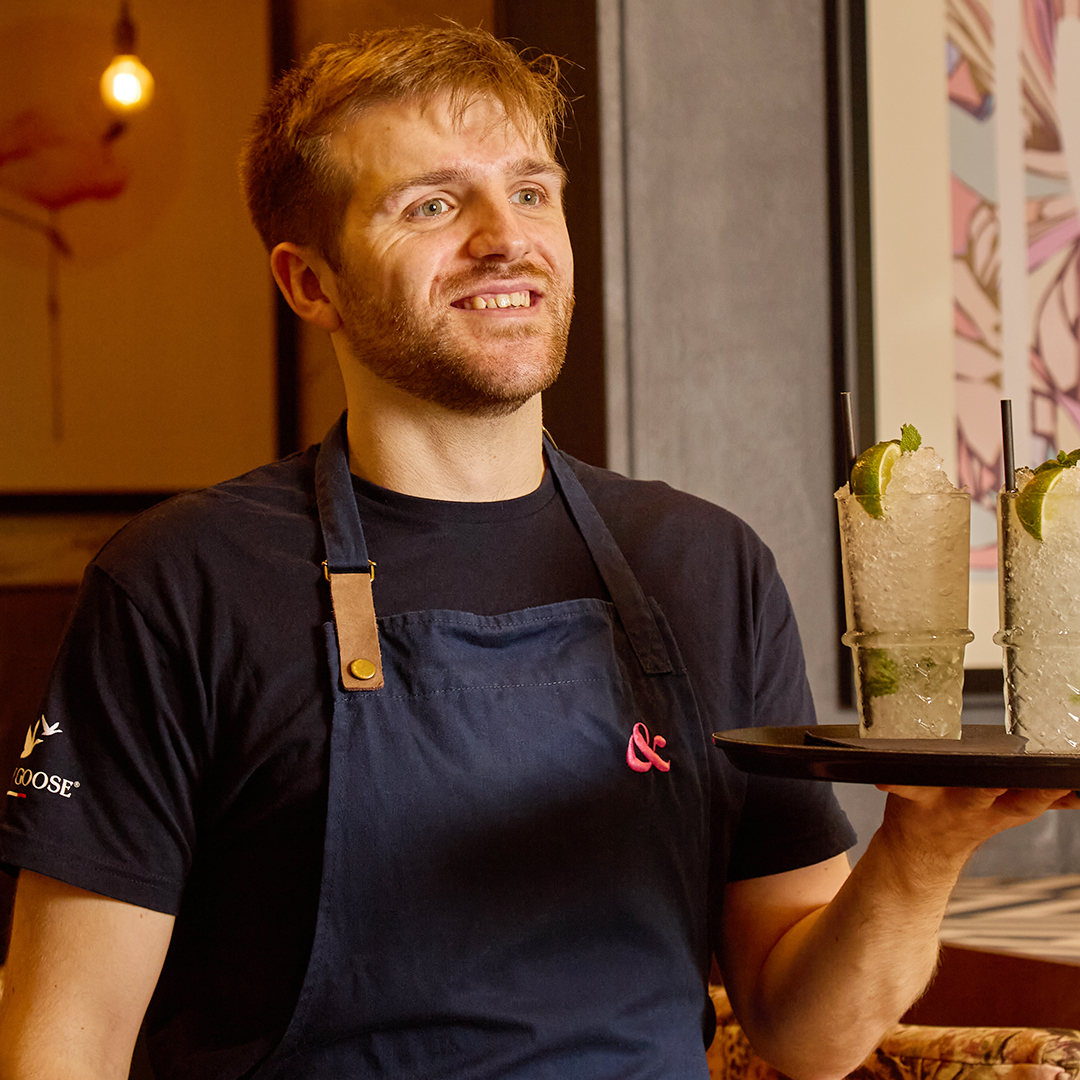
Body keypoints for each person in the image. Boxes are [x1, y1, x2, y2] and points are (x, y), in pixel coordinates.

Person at [0, 22, 1075, 1080]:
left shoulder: (704, 563)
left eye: (528, 190)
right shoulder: (183, 582)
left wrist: (922, 850)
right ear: (308, 282)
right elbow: (63, 1045)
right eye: (431, 203)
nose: (504, 237)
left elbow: (808, 1033)